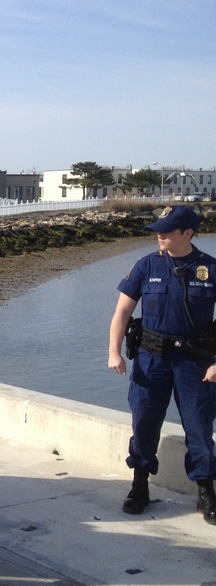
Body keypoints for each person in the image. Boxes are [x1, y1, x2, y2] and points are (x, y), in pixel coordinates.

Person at [108, 205, 216, 523]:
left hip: (195, 362)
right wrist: (113, 351)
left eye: (167, 230)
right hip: (150, 359)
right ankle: (140, 486)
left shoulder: (209, 269)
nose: (160, 234)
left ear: (188, 233)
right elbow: (122, 313)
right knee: (144, 423)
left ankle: (206, 491)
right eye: (159, 229)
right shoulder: (145, 265)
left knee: (198, 427)